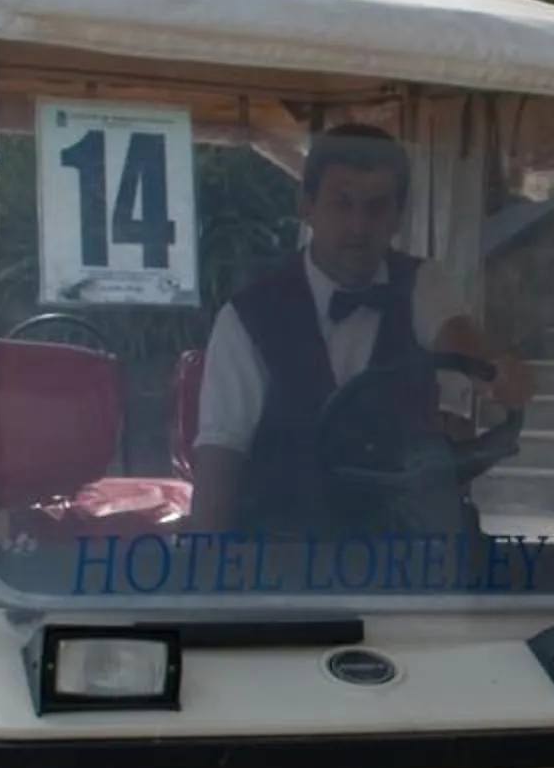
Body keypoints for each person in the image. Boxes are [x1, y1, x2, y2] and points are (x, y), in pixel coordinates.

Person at [191, 122, 533, 536]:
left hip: (406, 562)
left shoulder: (421, 284)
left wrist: (494, 369)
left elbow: (457, 334)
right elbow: (221, 454)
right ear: (306, 204)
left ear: (396, 218)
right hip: (287, 565)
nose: (358, 225)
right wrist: (204, 575)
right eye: (342, 203)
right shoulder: (247, 317)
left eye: (376, 207)